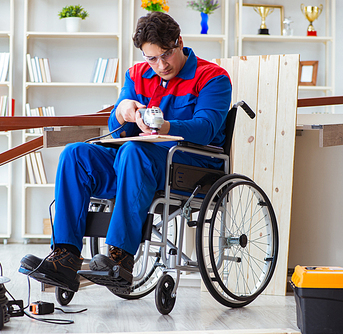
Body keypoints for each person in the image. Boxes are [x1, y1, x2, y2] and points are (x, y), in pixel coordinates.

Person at [19, 11, 232, 292]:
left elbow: (205, 128)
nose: (160, 65)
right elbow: (118, 133)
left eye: (165, 54)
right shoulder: (137, 75)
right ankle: (66, 258)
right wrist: (122, 113)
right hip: (137, 164)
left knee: (133, 152)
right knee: (74, 154)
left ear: (179, 42)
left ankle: (120, 259)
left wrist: (166, 125)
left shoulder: (213, 77)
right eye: (151, 58)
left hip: (187, 165)